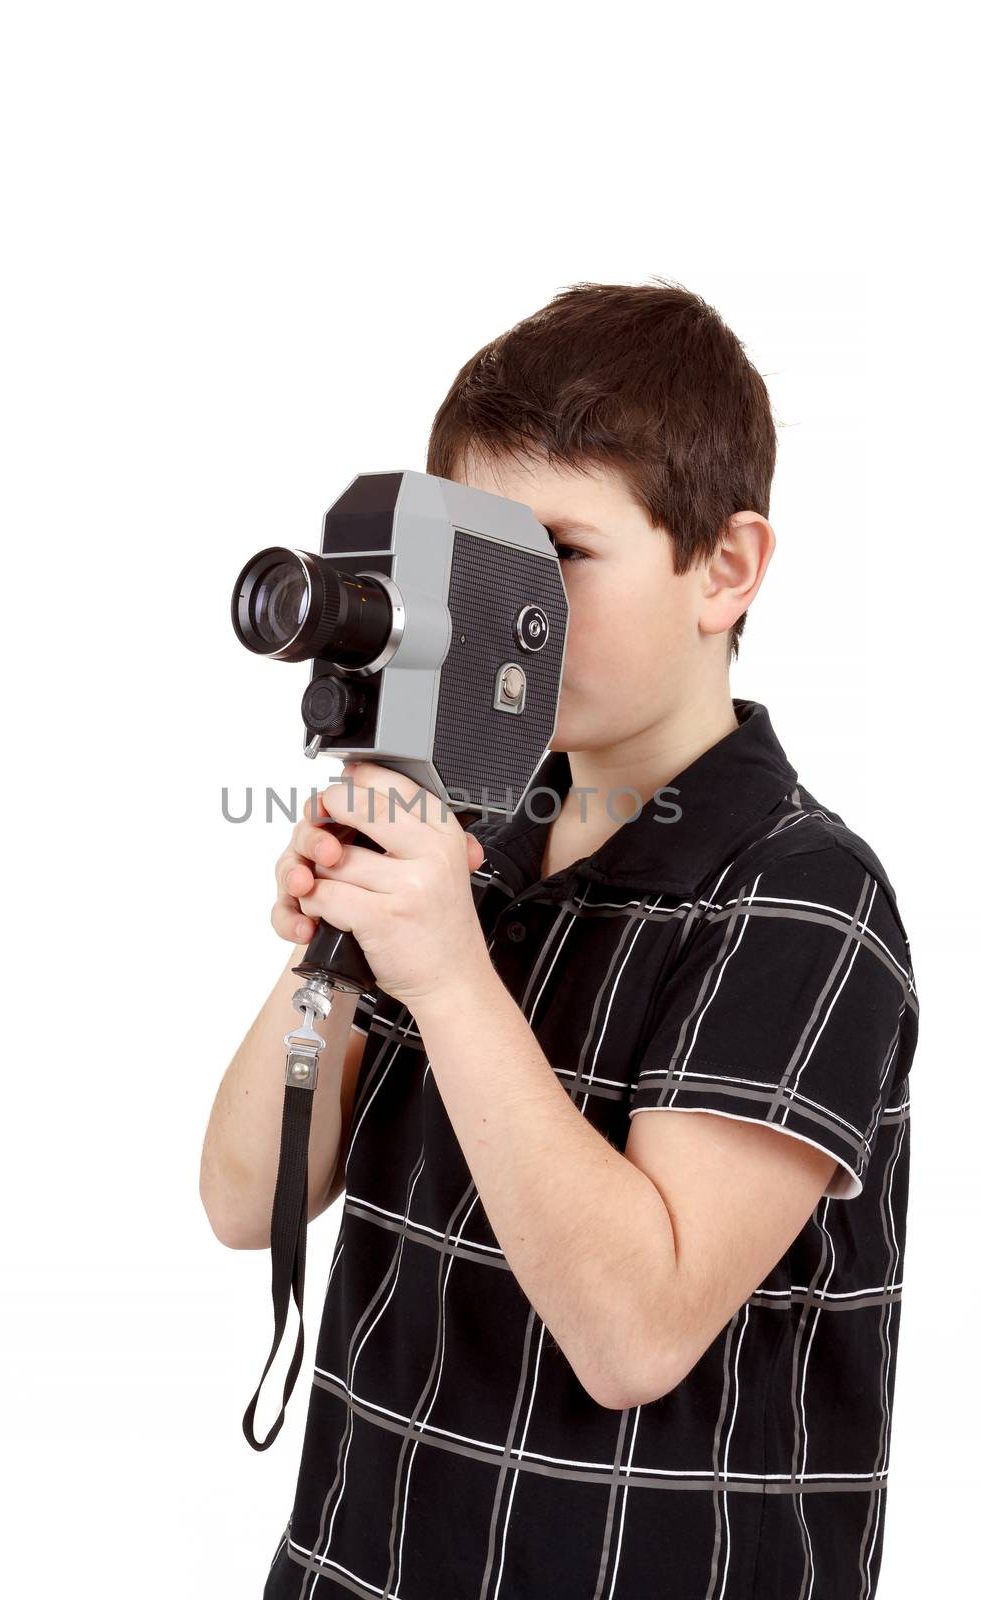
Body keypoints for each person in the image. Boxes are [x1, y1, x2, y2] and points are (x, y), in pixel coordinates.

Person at [200, 280, 918, 1599]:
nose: (496, 618)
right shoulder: (471, 844)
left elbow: (633, 1333)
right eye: (477, 568)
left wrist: (449, 978)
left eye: (561, 559)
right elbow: (245, 1201)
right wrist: (340, 952)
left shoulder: (804, 899)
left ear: (726, 567)